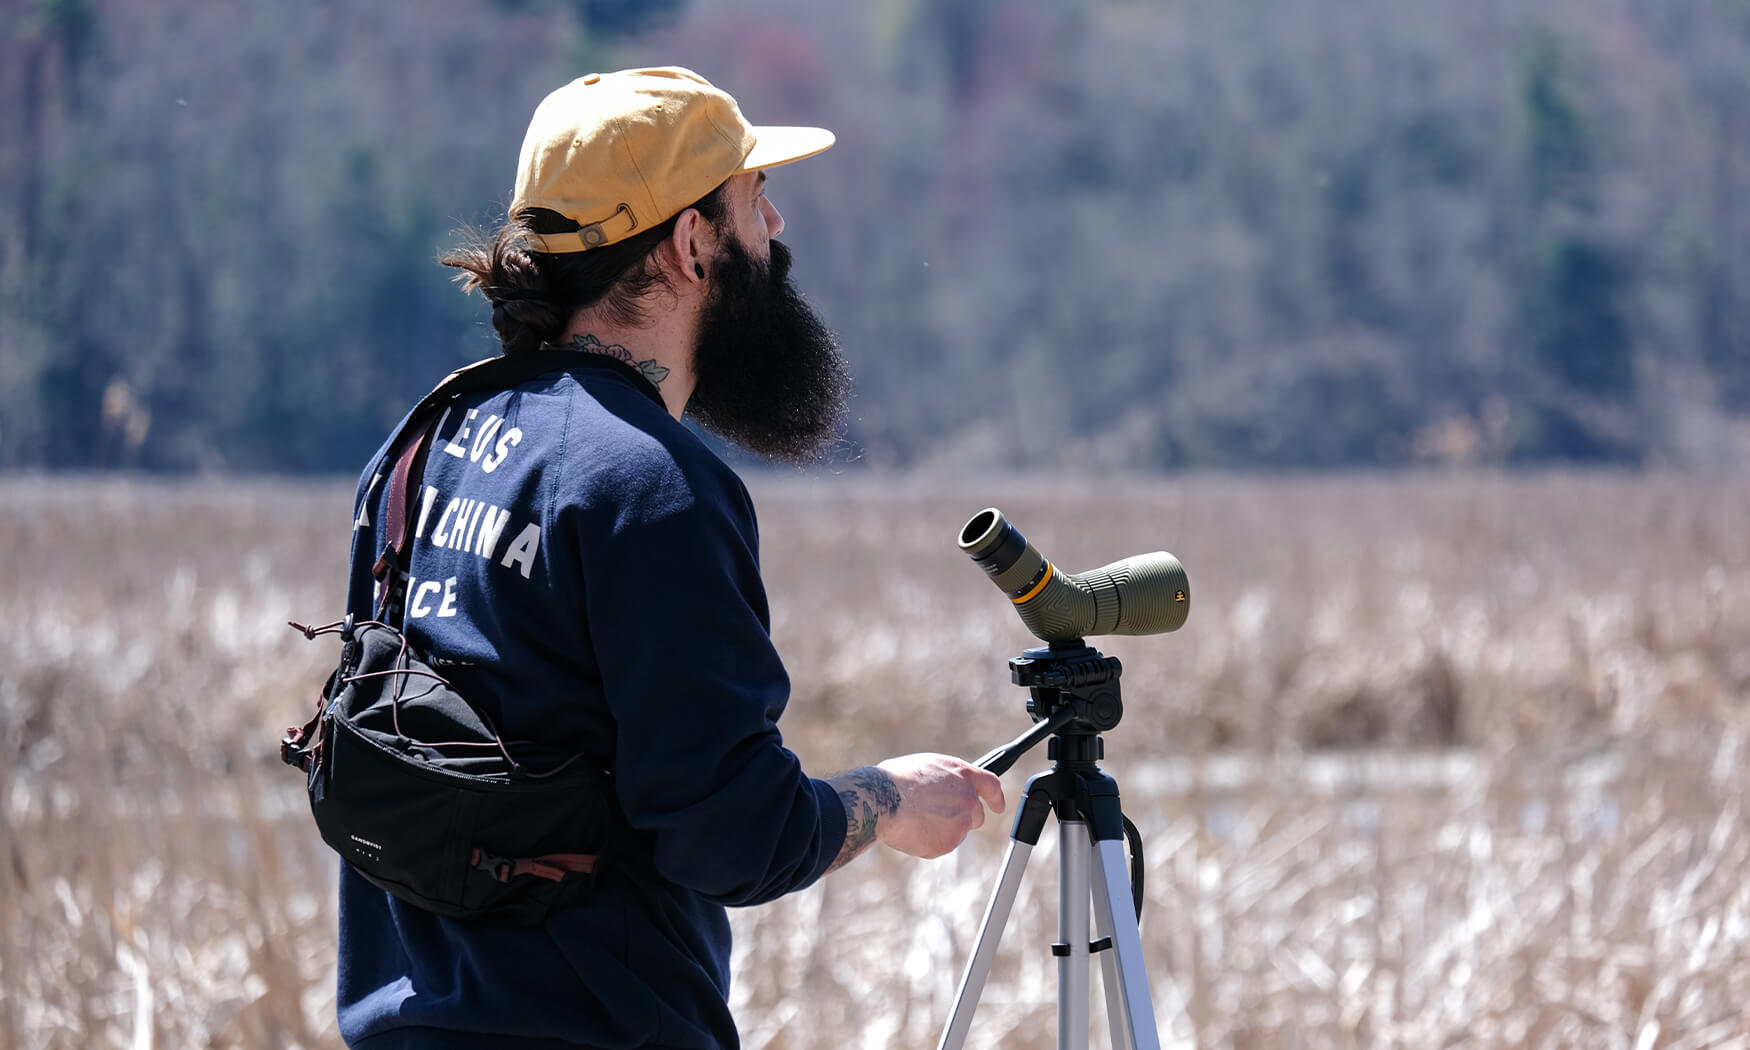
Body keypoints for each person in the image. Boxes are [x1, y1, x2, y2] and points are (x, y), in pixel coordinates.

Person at [337, 66, 1006, 1050]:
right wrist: (890, 800)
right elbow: (732, 835)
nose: (773, 226)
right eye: (750, 200)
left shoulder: (425, 440)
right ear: (692, 244)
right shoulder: (649, 485)